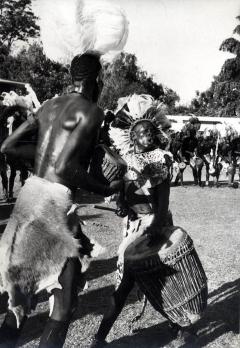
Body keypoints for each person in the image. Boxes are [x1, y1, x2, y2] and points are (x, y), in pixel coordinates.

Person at [0, 54, 123, 348]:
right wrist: (106, 188)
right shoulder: (92, 112)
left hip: (29, 197)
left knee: (23, 292)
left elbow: (8, 146)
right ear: (97, 79)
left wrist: (45, 159)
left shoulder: (49, 106)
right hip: (53, 204)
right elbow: (68, 169)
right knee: (64, 303)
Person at [91, 96, 176, 347]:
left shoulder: (160, 160)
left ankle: (99, 337)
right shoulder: (126, 163)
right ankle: (180, 325)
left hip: (154, 226)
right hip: (134, 226)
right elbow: (125, 200)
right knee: (142, 281)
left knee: (141, 280)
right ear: (133, 137)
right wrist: (121, 206)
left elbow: (162, 206)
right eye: (141, 131)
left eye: (151, 130)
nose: (147, 134)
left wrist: (153, 230)